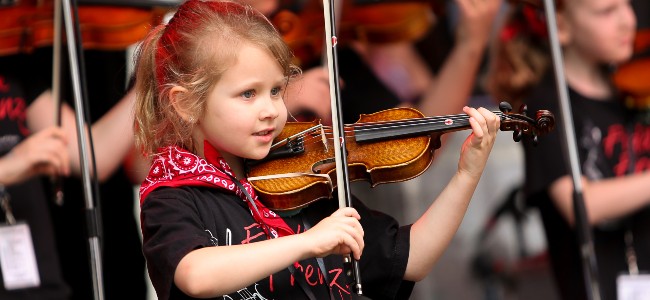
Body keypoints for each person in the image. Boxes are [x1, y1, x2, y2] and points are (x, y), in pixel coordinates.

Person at [133, 1, 500, 299]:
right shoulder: (173, 195)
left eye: (276, 91)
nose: (271, 110)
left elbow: (412, 258)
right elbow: (196, 275)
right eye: (248, 94)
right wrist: (306, 243)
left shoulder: (298, 179)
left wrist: (466, 175)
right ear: (185, 103)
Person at [484, 0, 650, 299]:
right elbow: (582, 205)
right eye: (607, 11)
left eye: (627, 4)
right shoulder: (546, 110)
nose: (628, 20)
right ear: (561, 26)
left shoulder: (636, 90)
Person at [0, 46, 138, 299]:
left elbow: (93, 156)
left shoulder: (11, 61)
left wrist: (148, 84)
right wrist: (8, 167)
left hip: (38, 282)